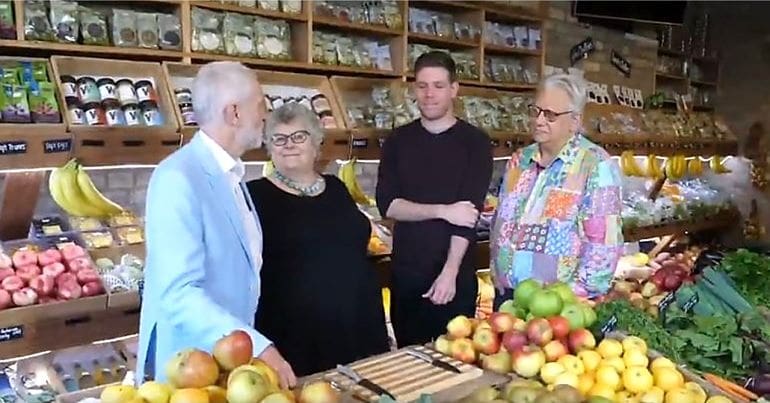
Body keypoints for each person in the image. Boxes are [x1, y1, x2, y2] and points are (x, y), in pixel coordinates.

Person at [136, 61, 296, 388]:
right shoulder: (177, 178)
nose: (265, 115)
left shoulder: (232, 175)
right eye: (260, 105)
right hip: (186, 371)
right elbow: (178, 293)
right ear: (233, 113)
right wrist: (259, 346)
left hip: (227, 366)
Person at [247, 103, 389, 376]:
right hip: (298, 334)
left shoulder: (336, 187)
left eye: (299, 136)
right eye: (279, 138)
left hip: (358, 323)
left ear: (316, 143)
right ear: (269, 147)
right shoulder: (253, 196)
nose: (289, 144)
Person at [376, 51, 493, 346]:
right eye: (422, 86)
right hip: (407, 276)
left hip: (455, 277)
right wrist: (443, 210)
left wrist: (449, 273)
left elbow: (467, 216)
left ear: (454, 89)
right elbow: (388, 205)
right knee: (409, 359)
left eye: (438, 86)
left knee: (455, 360)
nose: (429, 94)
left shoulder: (475, 143)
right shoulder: (397, 141)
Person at [489, 73, 624, 307]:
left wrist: (574, 295)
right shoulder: (521, 161)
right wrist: (497, 273)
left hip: (559, 305)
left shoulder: (595, 165)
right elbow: (501, 221)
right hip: (508, 298)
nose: (539, 120)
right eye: (536, 111)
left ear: (574, 121)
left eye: (550, 115)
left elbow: (604, 245)